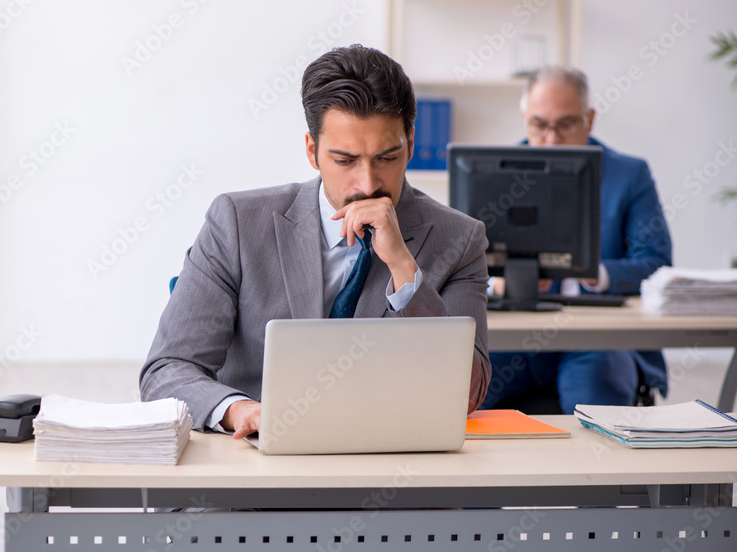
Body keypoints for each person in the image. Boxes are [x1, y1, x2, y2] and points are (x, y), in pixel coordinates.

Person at [140, 45, 491, 439]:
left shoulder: (459, 239)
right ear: (312, 151)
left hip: (389, 469)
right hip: (255, 473)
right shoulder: (237, 223)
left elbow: (466, 393)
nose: (368, 183)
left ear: (410, 144)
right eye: (345, 161)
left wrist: (405, 270)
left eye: (387, 158)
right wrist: (238, 411)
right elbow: (166, 371)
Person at [480, 65, 672, 414]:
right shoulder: (492, 171)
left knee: (598, 406)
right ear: (524, 118)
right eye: (539, 124)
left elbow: (656, 264)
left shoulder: (630, 175)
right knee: (455, 394)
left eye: (566, 124)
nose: (551, 139)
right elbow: (468, 266)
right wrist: (499, 283)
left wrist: (593, 272)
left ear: (590, 119)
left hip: (597, 336)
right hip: (514, 333)